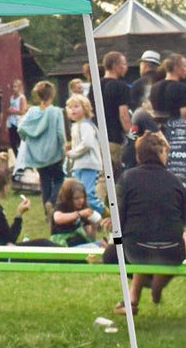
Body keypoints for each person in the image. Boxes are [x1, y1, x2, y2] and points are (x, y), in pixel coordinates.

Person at [105, 131, 186, 313]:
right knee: (165, 239)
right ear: (161, 154)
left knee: (115, 252)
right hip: (171, 252)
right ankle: (157, 284)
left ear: (138, 155)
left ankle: (133, 298)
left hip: (137, 251)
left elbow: (120, 219)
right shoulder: (176, 182)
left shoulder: (127, 178)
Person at [18, 80, 67, 217]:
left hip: (37, 154)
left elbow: (21, 127)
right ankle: (52, 202)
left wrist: (26, 139)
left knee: (44, 182)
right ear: (52, 95)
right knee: (59, 179)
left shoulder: (32, 112)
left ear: (38, 96)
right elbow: (60, 133)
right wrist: (64, 149)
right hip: (53, 153)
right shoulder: (56, 112)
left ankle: (47, 213)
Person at [64, 94, 105, 214]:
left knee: (88, 194)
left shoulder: (86, 125)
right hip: (79, 165)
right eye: (70, 107)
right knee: (78, 194)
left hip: (89, 164)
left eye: (76, 106)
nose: (73, 110)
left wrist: (72, 153)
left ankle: (107, 215)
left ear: (85, 109)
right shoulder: (75, 126)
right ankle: (88, 220)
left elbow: (87, 144)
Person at [98, 51, 131, 176]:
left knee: (102, 174)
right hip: (114, 137)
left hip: (98, 136)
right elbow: (123, 115)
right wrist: (132, 136)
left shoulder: (95, 85)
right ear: (115, 65)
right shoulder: (121, 87)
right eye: (124, 63)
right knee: (112, 175)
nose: (126, 67)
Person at [50, 178, 105, 245]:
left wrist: (94, 225)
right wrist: (80, 214)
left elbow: (91, 237)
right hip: (63, 242)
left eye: (82, 197)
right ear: (68, 198)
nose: (81, 201)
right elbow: (58, 218)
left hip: (78, 241)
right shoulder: (62, 206)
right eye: (76, 198)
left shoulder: (83, 208)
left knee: (103, 245)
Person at [150, 54, 186, 121]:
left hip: (158, 127)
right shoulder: (182, 88)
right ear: (177, 68)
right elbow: (184, 113)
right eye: (185, 66)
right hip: (177, 128)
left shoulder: (154, 87)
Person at [5, 78, 28, 150]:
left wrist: (13, 111)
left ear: (19, 87)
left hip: (19, 121)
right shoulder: (11, 97)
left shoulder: (22, 98)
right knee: (12, 142)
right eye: (12, 87)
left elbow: (22, 111)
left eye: (15, 87)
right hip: (12, 121)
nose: (13, 89)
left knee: (19, 141)